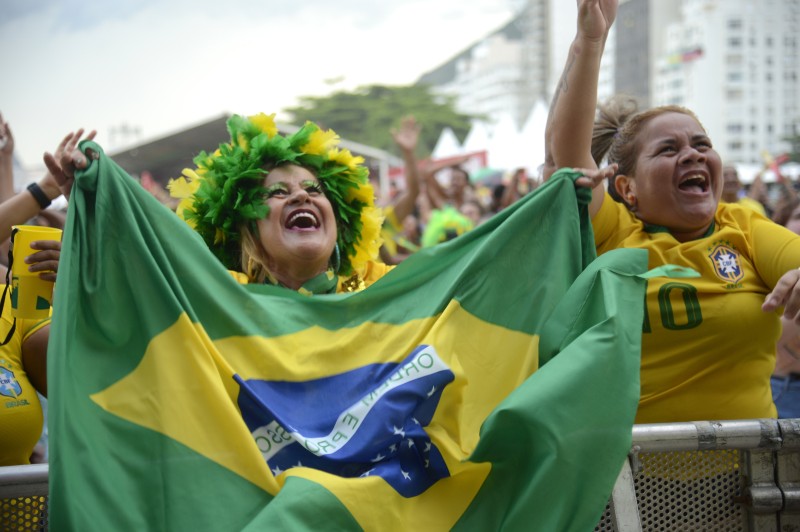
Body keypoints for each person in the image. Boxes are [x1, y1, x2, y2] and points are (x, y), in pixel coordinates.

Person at [544, 0, 800, 424]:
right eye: (668, 149)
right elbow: (567, 155)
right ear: (627, 188)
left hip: (749, 480)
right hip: (631, 482)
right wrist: (589, 41)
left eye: (701, 145)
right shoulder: (613, 233)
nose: (692, 156)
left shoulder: (746, 228)